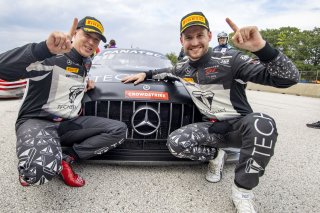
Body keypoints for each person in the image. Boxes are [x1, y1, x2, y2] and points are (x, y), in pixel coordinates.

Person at [122, 11, 299, 212]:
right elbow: (167, 71)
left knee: (263, 123)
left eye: (200, 35)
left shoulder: (232, 60)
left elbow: (288, 79)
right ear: (181, 40)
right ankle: (216, 156)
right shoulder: (182, 68)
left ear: (210, 36)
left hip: (239, 128)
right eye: (189, 37)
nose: (194, 42)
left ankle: (242, 192)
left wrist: (262, 49)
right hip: (212, 130)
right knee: (175, 143)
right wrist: (145, 73)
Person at [0, 16, 127, 187]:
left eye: (96, 40)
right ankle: (43, 156)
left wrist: (84, 84)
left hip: (68, 124)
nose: (91, 42)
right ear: (74, 33)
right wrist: (43, 49)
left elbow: (67, 78)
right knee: (36, 173)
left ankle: (66, 159)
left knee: (119, 130)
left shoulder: (86, 63)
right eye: (87, 36)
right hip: (38, 122)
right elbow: (3, 68)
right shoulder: (52, 57)